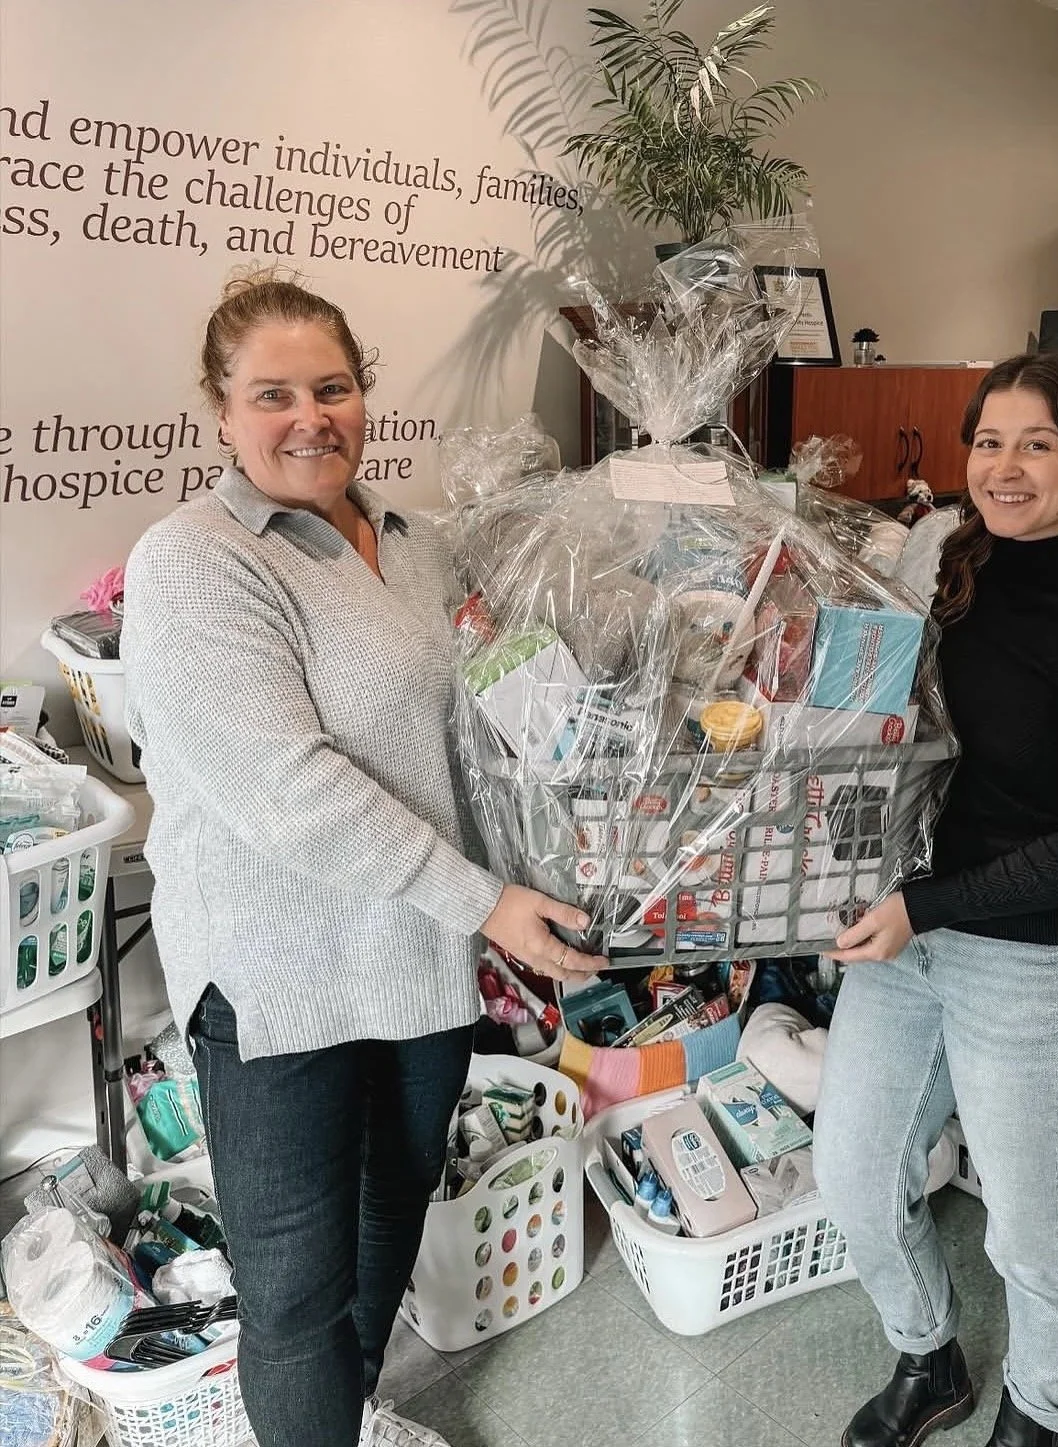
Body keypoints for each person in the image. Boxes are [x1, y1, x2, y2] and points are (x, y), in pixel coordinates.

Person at [122, 270, 602, 1447]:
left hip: (416, 958)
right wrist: (490, 901)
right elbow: (290, 791)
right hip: (282, 982)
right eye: (271, 393)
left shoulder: (417, 543)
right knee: (290, 1290)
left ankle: (346, 1420)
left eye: (331, 387)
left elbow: (502, 714)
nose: (308, 416)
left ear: (363, 395)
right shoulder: (196, 561)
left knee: (389, 1220)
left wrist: (628, 712)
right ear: (221, 412)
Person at [813, 353, 1058, 1447]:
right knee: (853, 1176)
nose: (1005, 466)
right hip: (911, 934)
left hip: (1039, 967)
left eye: (1037, 443)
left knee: (1036, 1234)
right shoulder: (945, 572)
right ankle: (929, 1355)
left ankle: (1042, 1413)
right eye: (988, 441)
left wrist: (923, 908)